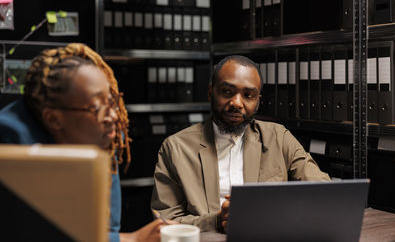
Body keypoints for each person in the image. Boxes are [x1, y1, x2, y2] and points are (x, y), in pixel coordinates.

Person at [0, 43, 167, 242]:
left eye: (111, 101)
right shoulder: (11, 142)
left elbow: (107, 226)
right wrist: (132, 240)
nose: (113, 115)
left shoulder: (103, 133)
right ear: (54, 119)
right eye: (97, 107)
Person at [151, 55, 331, 233]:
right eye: (227, 92)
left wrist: (272, 214)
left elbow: (323, 192)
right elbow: (165, 222)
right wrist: (216, 220)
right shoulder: (175, 148)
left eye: (248, 95)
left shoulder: (279, 137)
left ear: (258, 101)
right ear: (210, 92)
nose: (237, 103)